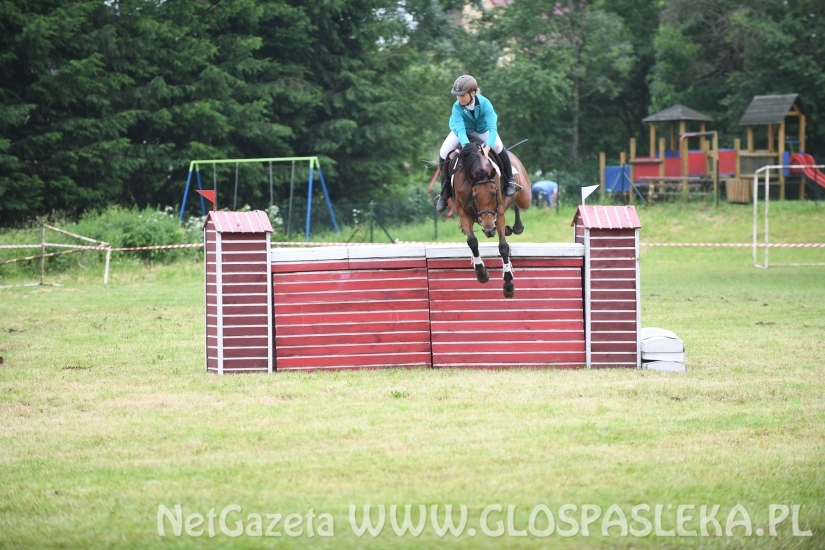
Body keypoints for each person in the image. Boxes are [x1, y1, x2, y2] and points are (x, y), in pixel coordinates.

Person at [434, 75, 521, 212]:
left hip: (483, 130)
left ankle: (510, 180)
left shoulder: (486, 104)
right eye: (457, 95)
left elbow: (493, 129)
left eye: (462, 95)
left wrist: (487, 147)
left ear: (472, 92)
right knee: (444, 151)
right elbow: (461, 131)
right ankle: (444, 193)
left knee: (498, 146)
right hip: (462, 132)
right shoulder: (456, 107)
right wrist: (469, 148)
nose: (459, 98)